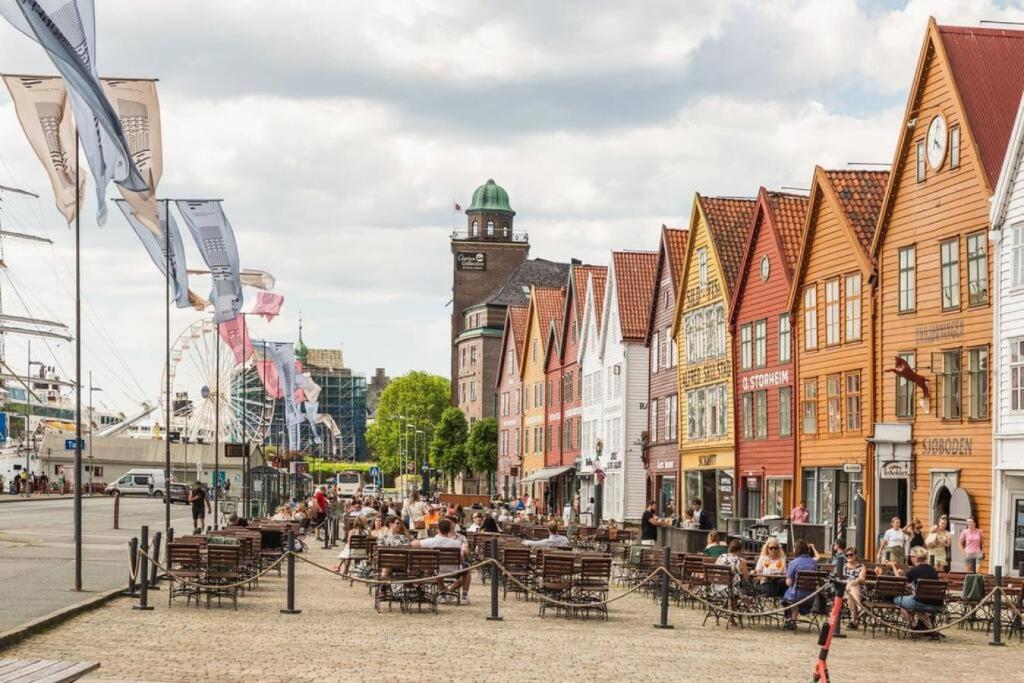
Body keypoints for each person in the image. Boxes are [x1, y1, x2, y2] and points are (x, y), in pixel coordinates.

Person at [412, 518, 471, 603]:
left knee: (436, 570)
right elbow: (461, 558)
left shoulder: (432, 541)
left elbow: (414, 544)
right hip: (455, 570)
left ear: (438, 529)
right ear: (450, 529)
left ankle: (443, 594)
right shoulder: (457, 543)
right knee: (467, 569)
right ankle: (464, 596)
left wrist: (415, 540)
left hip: (438, 570)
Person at [890, 546, 943, 638]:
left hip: (920, 602)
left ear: (916, 558)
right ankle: (932, 630)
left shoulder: (914, 570)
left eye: (911, 556)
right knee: (919, 607)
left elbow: (900, 582)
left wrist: (893, 567)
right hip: (936, 603)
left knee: (897, 601)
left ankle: (913, 626)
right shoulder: (932, 570)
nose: (910, 558)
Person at [782, 540, 819, 629]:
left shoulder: (793, 563)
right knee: (796, 595)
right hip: (811, 596)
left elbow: (788, 583)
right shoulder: (814, 563)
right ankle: (792, 620)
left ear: (796, 550)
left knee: (786, 595)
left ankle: (789, 619)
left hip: (796, 595)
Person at [841, 547, 867, 629]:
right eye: (847, 555)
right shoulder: (843, 567)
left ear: (855, 555)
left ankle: (854, 622)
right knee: (850, 585)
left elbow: (861, 578)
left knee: (853, 588)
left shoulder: (861, 567)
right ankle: (859, 608)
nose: (849, 556)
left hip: (860, 591)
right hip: (845, 590)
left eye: (851, 554)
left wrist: (856, 581)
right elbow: (840, 579)